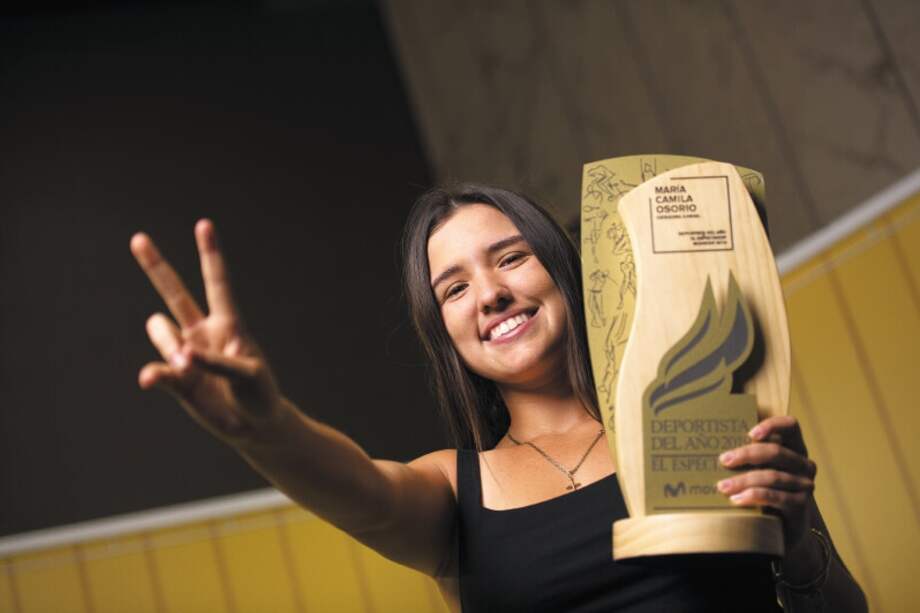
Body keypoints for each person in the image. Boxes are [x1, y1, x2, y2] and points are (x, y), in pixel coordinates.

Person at [131, 183, 867, 612]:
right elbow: (357, 489)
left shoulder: (708, 418)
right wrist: (267, 427)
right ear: (445, 330)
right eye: (454, 287)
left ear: (561, 269)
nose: (491, 293)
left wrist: (797, 541)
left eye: (511, 256)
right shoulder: (454, 489)